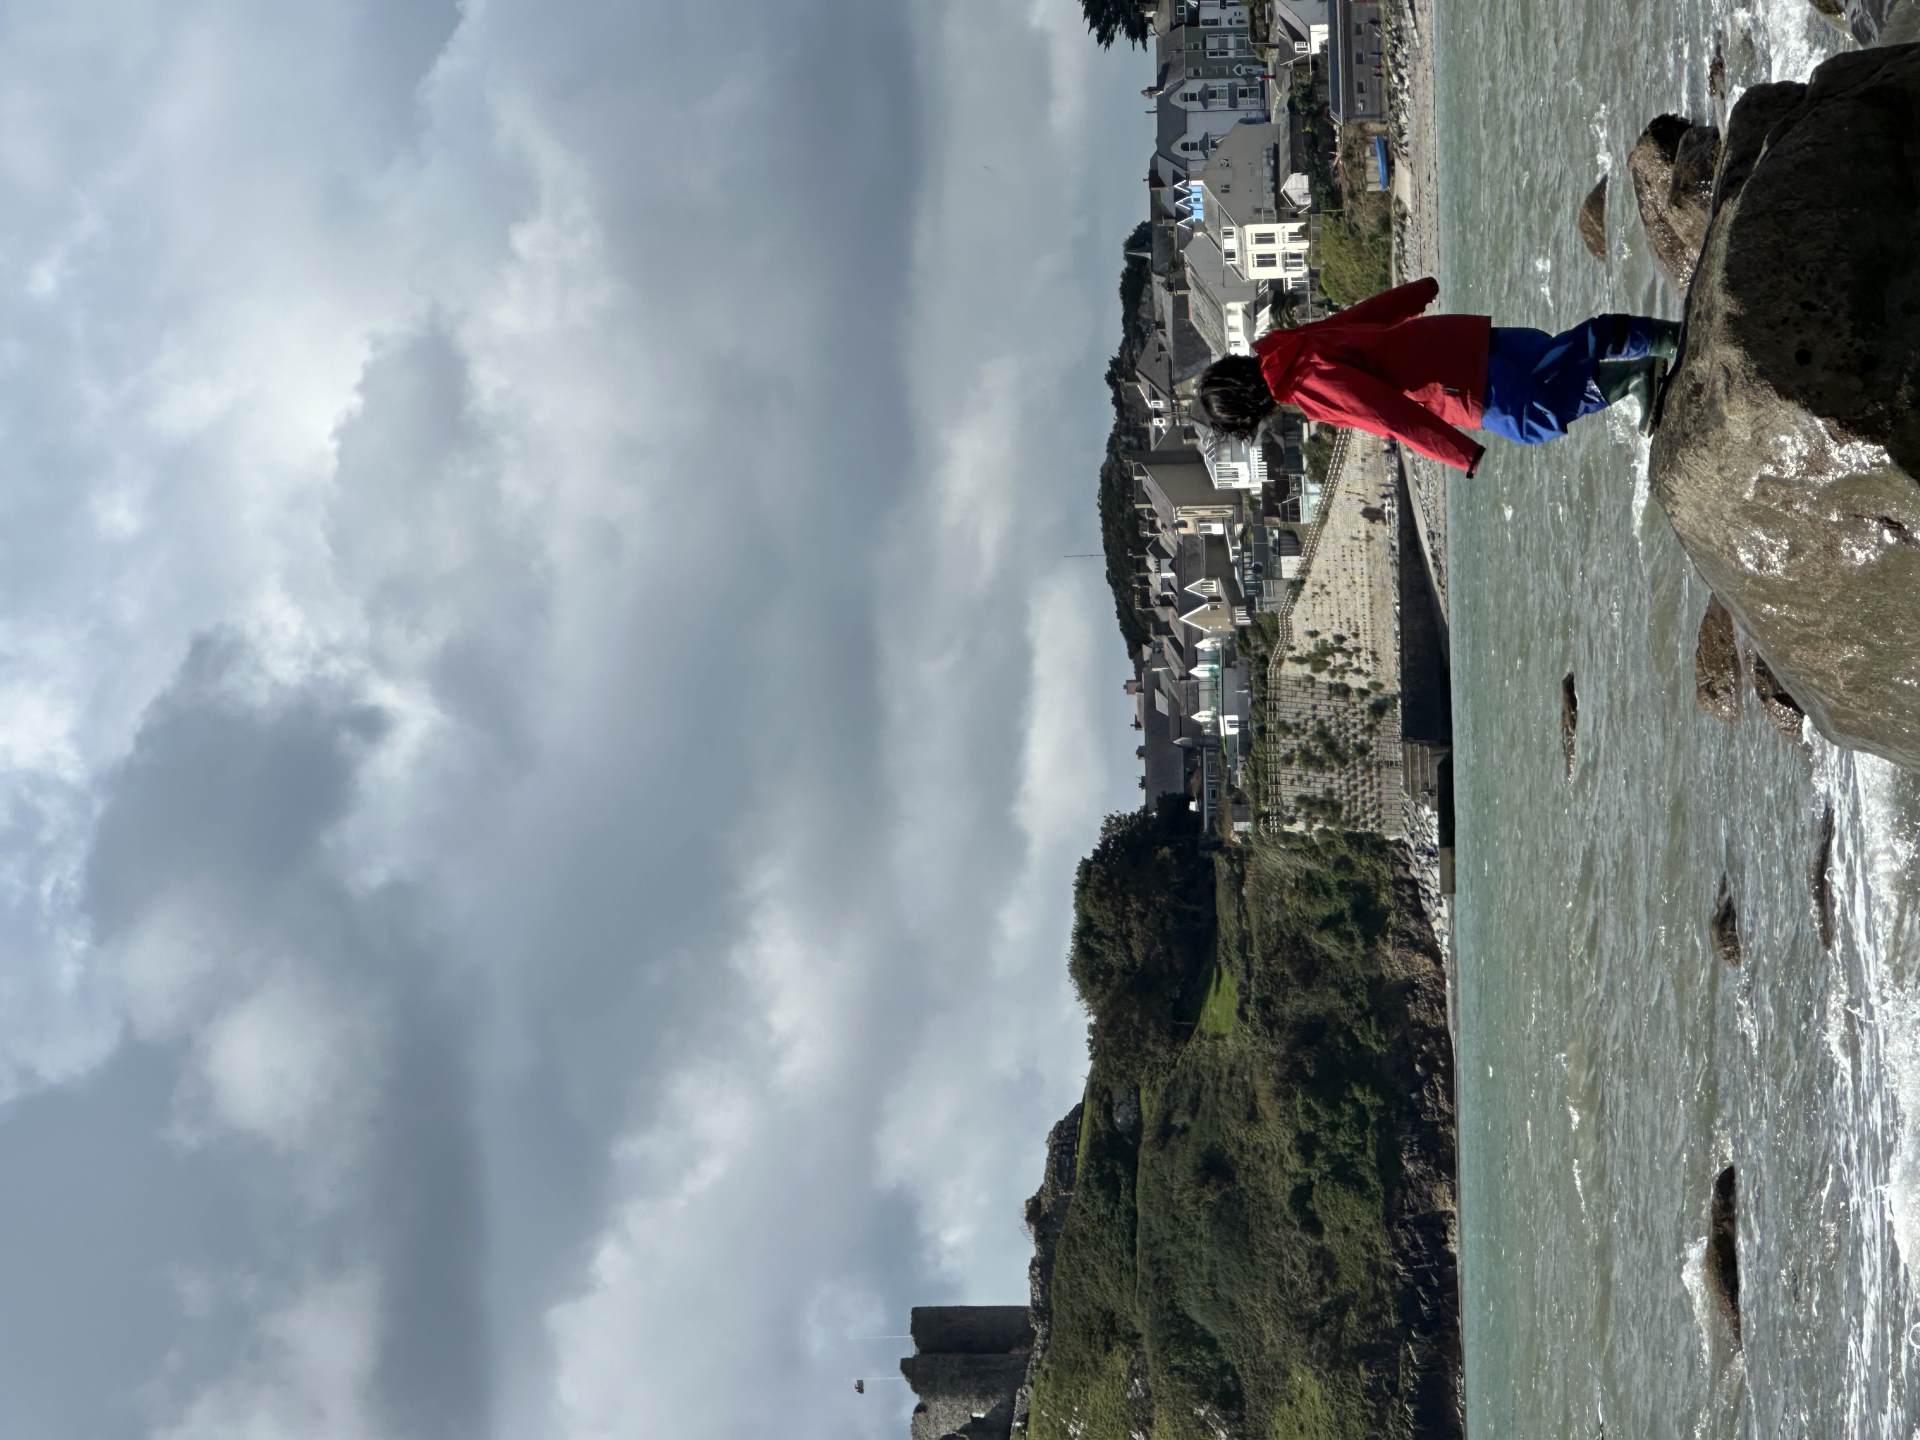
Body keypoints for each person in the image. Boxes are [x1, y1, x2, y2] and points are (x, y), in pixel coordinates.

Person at [1193, 276, 1680, 476]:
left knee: (1533, 419)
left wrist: (1458, 453)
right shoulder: (1288, 348)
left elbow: (1389, 415)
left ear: (1247, 412)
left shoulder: (1305, 387)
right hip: (1450, 339)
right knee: (1550, 362)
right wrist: (1416, 294)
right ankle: (1662, 339)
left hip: (1452, 379)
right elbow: (1360, 317)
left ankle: (1637, 373)